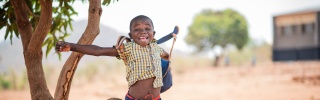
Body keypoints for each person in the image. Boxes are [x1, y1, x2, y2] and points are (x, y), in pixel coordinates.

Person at [56, 15, 178, 100]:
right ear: (131, 35)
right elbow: (99, 51)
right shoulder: (128, 48)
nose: (143, 31)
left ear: (153, 33)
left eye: (147, 28)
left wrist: (165, 60)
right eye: (137, 29)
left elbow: (166, 56)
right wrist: (71, 46)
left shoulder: (156, 48)